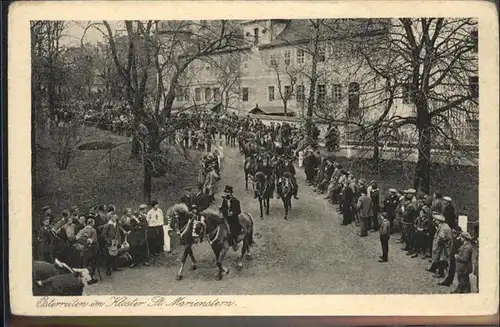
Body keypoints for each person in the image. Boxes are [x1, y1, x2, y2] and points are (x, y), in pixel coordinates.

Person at [427, 213, 453, 278]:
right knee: (437, 257)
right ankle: (433, 268)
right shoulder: (443, 226)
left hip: (444, 246)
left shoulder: (443, 228)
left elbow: (441, 238)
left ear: (438, 221)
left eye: (435, 220)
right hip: (444, 245)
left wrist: (437, 246)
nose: (434, 221)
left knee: (441, 259)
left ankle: (441, 274)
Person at [219, 186, 241, 251]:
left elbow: (239, 210)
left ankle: (234, 242)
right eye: (225, 192)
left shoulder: (235, 201)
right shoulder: (224, 200)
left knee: (232, 230)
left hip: (233, 219)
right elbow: (223, 208)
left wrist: (233, 213)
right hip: (225, 217)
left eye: (228, 192)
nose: (226, 194)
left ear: (231, 193)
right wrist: (221, 210)